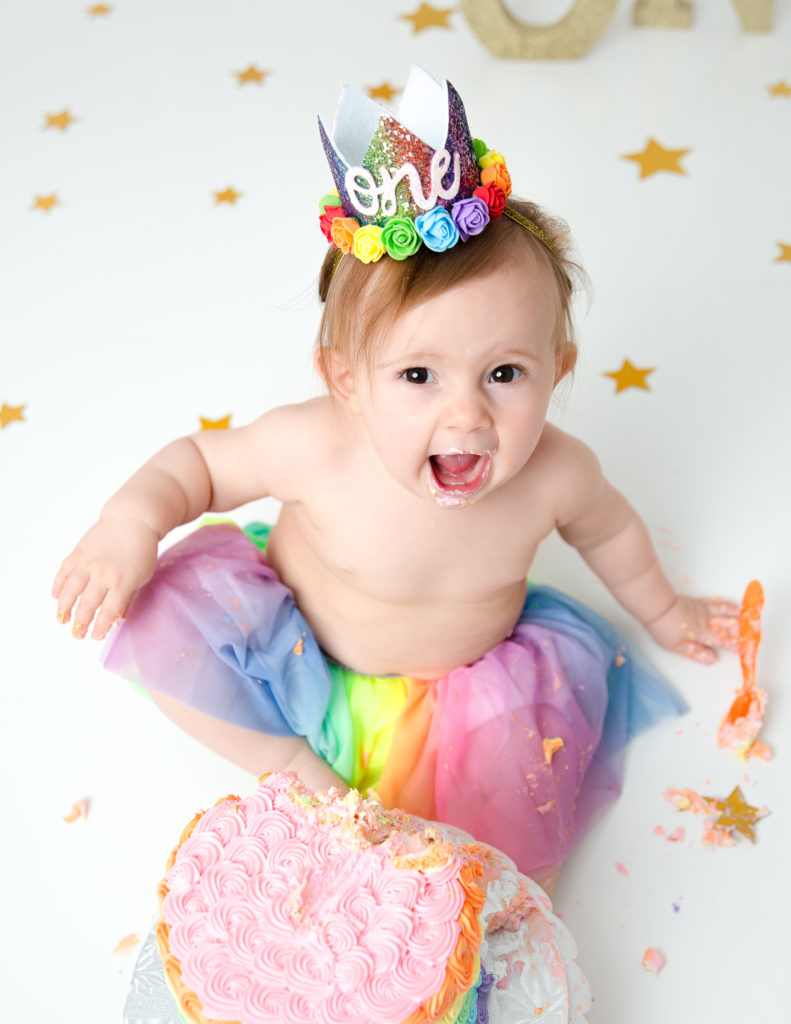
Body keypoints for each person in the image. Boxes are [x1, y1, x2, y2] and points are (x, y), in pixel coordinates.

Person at [52, 68, 738, 889]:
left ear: (558, 369)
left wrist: (663, 610)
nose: (466, 416)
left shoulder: (556, 471)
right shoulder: (316, 444)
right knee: (162, 610)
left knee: (497, 845)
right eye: (419, 376)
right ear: (346, 381)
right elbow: (197, 465)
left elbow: (611, 529)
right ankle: (293, 771)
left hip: (466, 706)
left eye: (504, 374)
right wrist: (127, 524)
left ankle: (485, 913)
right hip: (296, 653)